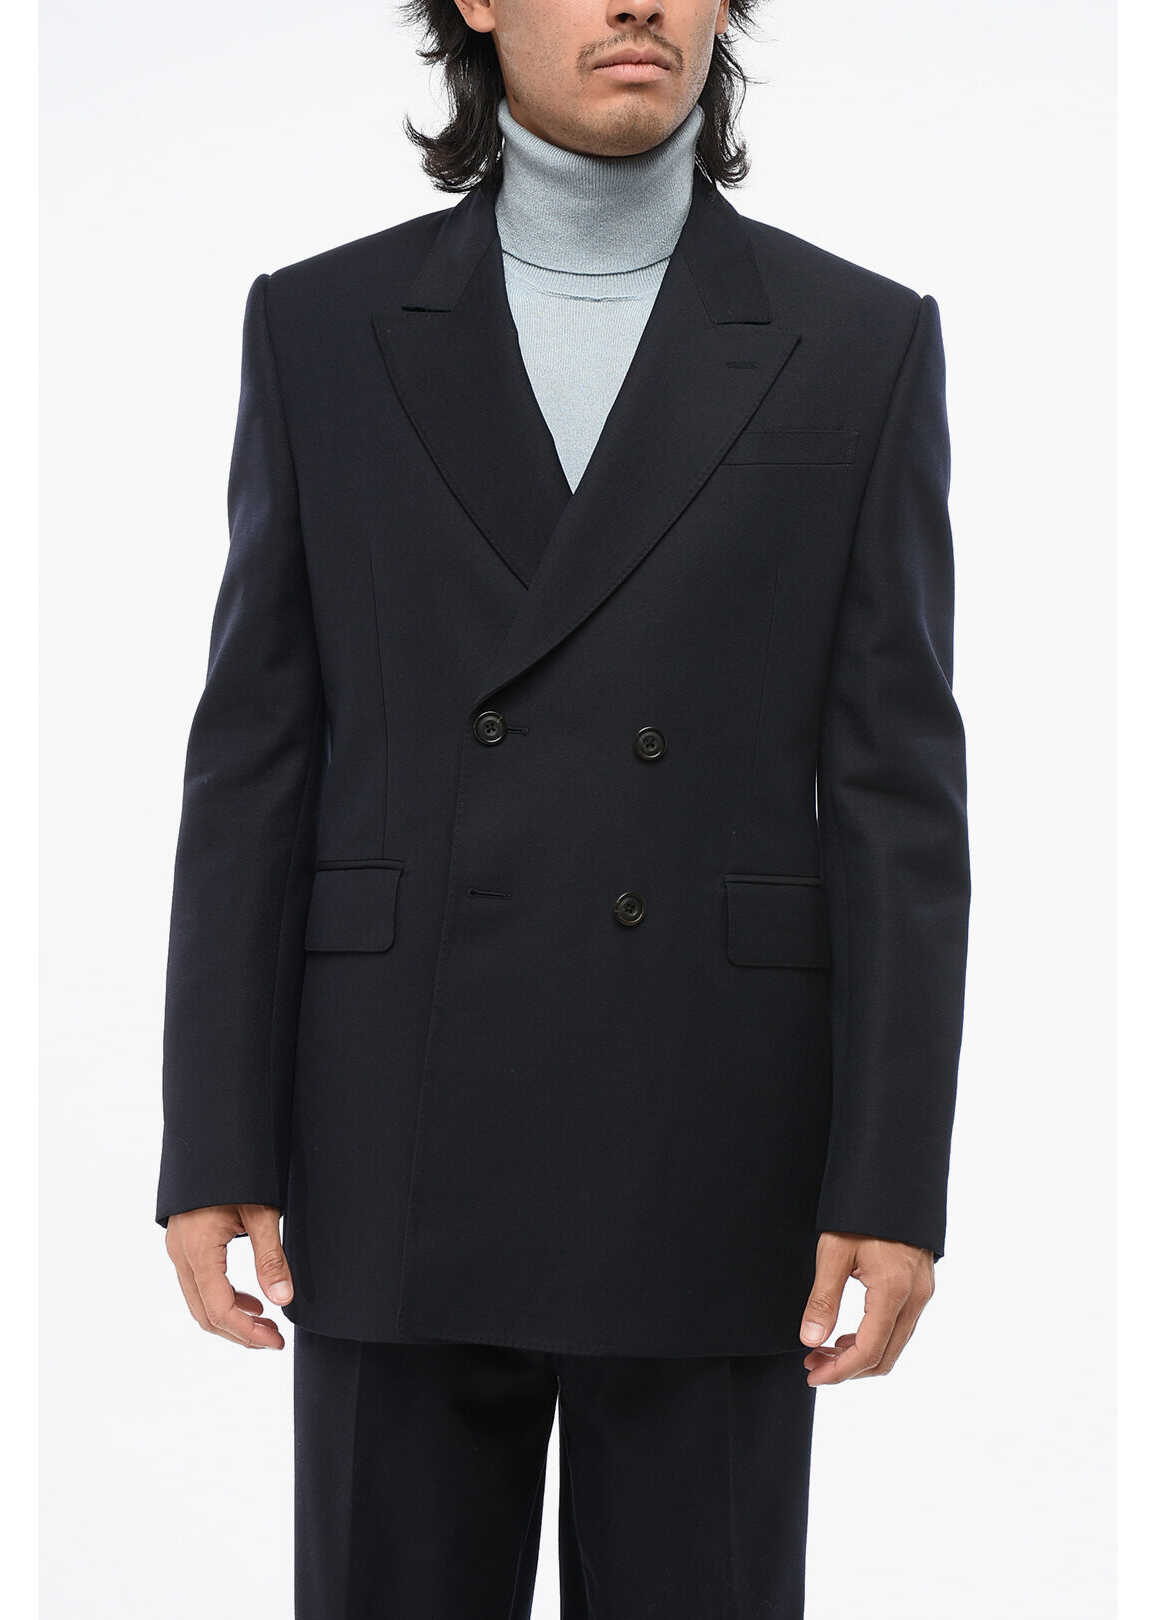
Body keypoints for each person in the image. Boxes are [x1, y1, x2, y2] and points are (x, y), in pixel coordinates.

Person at [156, 3, 971, 1615]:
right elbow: (254, 751)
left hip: (716, 1140)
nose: (638, 3)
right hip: (392, 1125)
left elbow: (898, 797)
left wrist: (889, 1182)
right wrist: (214, 1138)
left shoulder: (856, 339)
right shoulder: (320, 324)